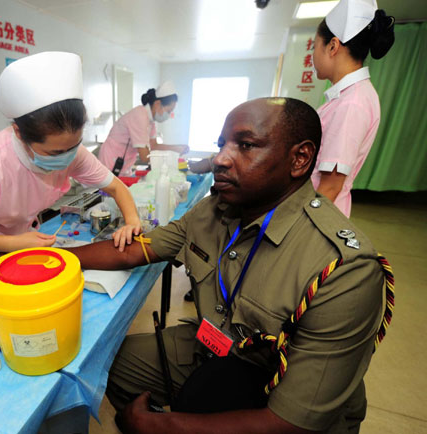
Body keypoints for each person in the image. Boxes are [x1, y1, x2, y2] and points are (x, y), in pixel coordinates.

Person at [69, 97, 392, 433]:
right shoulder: (214, 210)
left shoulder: (344, 269)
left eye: (246, 145)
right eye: (222, 145)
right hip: (216, 349)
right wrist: (56, 258)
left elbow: (290, 422)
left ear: (299, 159)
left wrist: (158, 427)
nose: (220, 159)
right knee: (110, 361)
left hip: (278, 395)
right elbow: (138, 250)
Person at [0, 52, 141, 270]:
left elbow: (116, 188)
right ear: (19, 134)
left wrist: (132, 222)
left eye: (74, 146)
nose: (67, 156)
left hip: (17, 244)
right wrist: (13, 243)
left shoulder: (72, 153)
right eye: (55, 152)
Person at [311, 0, 395, 217]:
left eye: (314, 46)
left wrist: (295, 231)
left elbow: (330, 186)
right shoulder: (350, 96)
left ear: (332, 46)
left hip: (318, 219)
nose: (312, 56)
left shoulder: (352, 103)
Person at [98, 81, 189, 176]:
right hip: (112, 161)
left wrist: (176, 148)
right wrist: (170, 158)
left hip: (124, 164)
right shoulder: (140, 116)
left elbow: (154, 146)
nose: (169, 115)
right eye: (168, 111)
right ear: (158, 104)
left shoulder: (150, 120)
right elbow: (145, 156)